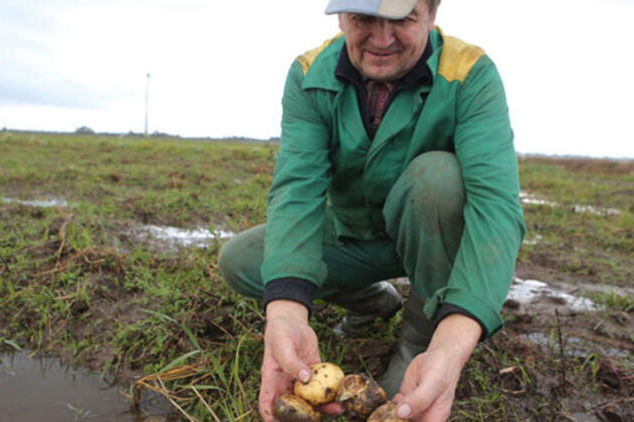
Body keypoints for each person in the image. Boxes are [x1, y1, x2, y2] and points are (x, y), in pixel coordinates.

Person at [218, 0, 525, 420]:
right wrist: (287, 311)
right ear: (342, 16)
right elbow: (297, 192)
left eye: (401, 19)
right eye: (363, 19)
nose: (382, 40)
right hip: (354, 234)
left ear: (432, 14)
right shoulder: (310, 74)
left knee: (437, 177)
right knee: (243, 261)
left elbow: (496, 209)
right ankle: (373, 302)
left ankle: (418, 342)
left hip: (432, 237)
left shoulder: (470, 73)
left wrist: (452, 343)